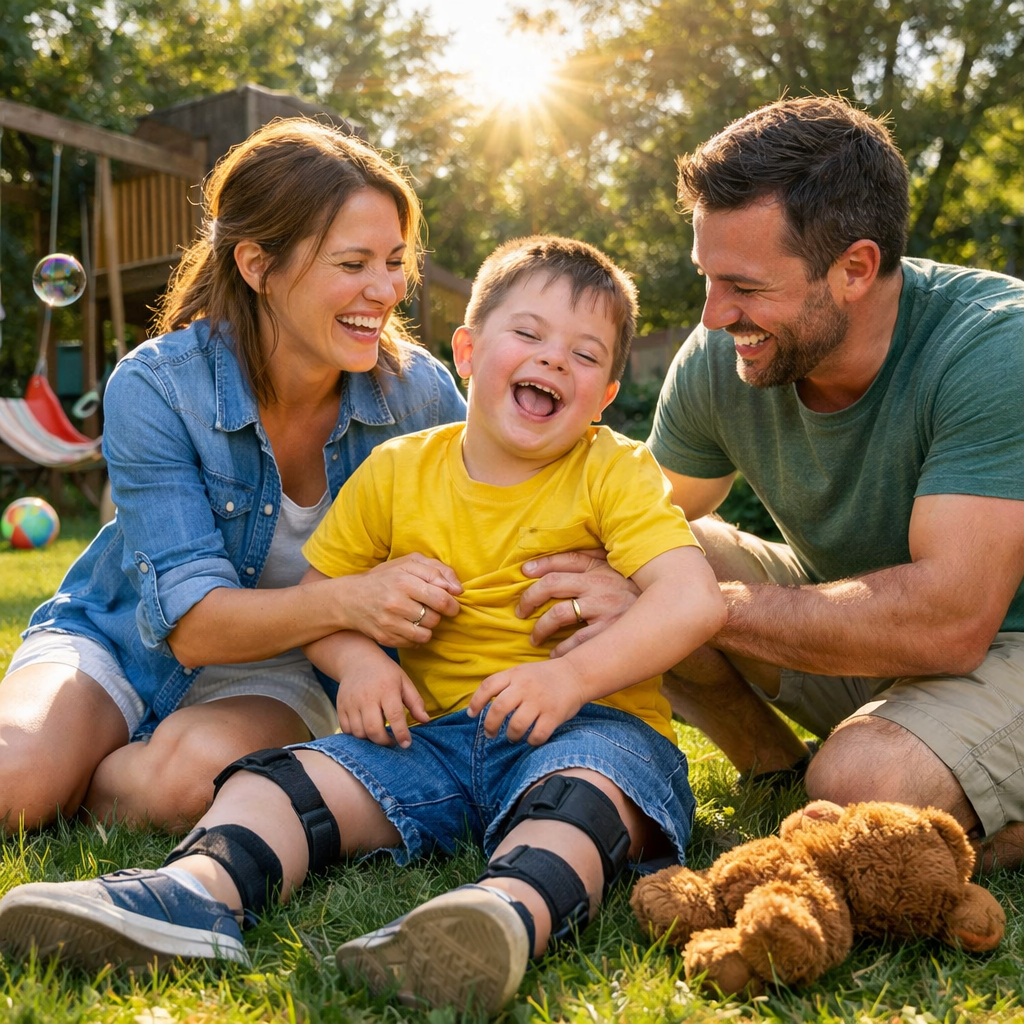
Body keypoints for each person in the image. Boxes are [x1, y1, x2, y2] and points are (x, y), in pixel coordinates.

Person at [0, 236, 726, 1014]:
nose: (554, 361)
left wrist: (571, 678)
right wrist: (361, 666)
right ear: (470, 351)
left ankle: (505, 912)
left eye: (585, 354)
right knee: (286, 779)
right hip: (437, 738)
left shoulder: (611, 470)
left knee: (577, 800)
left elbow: (694, 600)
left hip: (592, 729)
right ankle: (193, 891)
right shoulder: (398, 470)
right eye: (531, 335)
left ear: (608, 394)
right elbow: (325, 599)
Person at [518, 96, 1024, 870]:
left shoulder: (992, 347)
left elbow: (952, 622)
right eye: (707, 279)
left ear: (854, 268)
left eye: (745, 286)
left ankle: (904, 793)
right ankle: (775, 773)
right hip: (872, 634)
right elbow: (620, 523)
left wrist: (691, 609)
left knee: (860, 780)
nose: (715, 315)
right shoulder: (724, 354)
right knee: (651, 551)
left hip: (1000, 641)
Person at [0, 119, 466, 833]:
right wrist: (357, 600)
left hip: (292, 668)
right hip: (130, 639)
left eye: (395, 261)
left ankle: (90, 770)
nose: (386, 290)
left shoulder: (420, 395)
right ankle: (58, 760)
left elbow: (498, 515)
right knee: (15, 782)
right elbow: (192, 628)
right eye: (353, 264)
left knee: (182, 785)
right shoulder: (158, 386)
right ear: (256, 265)